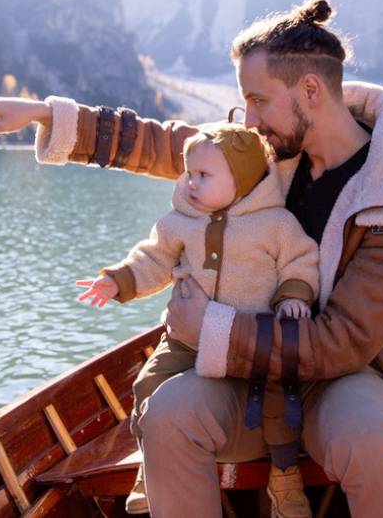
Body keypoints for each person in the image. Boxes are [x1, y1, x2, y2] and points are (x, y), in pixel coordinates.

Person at [0, 0, 383, 518]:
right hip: (242, 379)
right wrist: (44, 114)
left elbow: (342, 342)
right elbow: (163, 144)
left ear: (310, 90)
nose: (249, 120)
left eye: (258, 101)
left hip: (339, 377)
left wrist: (212, 328)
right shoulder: (267, 148)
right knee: (167, 414)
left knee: (372, 439)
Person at [77, 123, 320, 516]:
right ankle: (150, 465)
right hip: (186, 342)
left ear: (241, 178)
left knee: (279, 409)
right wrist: (118, 280)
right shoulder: (180, 221)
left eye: (204, 175)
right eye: (190, 173)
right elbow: (153, 259)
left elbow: (301, 261)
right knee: (147, 384)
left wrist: (294, 295)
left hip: (251, 343)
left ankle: (285, 478)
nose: (192, 182)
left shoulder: (276, 224)